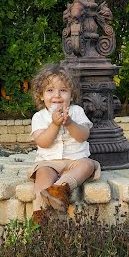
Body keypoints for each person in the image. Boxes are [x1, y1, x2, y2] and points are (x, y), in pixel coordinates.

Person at [28, 63, 100, 223]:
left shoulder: (77, 112)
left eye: (63, 90)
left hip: (76, 160)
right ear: (41, 95)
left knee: (87, 165)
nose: (57, 95)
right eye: (50, 90)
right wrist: (54, 125)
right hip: (49, 162)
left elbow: (83, 136)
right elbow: (43, 142)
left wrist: (70, 124)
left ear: (71, 95)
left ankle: (58, 189)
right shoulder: (39, 117)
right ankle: (39, 216)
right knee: (42, 177)